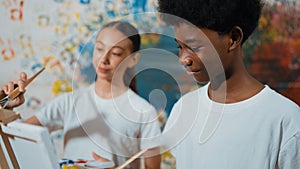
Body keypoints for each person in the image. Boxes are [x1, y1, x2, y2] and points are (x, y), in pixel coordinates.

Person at [158, 0, 300, 169]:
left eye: (194, 47)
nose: (183, 59)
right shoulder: (184, 109)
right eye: (180, 47)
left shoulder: (284, 119)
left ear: (233, 38)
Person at [1, 21, 161, 169]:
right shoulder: (70, 102)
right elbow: (14, 136)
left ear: (133, 59)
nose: (103, 59)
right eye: (99, 49)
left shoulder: (144, 112)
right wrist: (5, 105)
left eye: (116, 53)